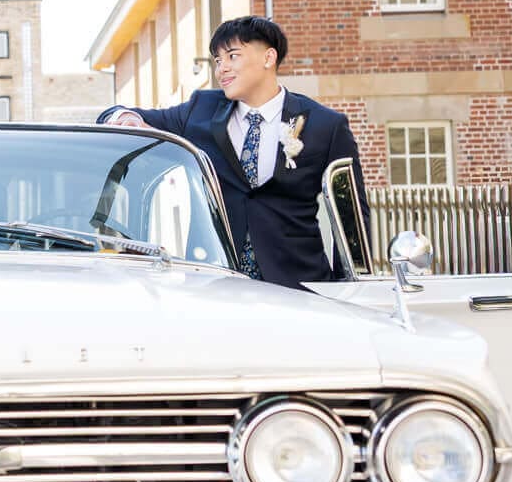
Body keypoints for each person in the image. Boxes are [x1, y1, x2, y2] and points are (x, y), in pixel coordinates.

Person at [102, 15, 365, 290]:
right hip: (214, 284)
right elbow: (120, 113)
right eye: (217, 60)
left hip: (300, 285)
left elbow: (352, 216)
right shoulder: (200, 109)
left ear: (268, 58)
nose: (221, 69)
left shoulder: (324, 125)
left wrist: (345, 288)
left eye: (232, 56)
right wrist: (125, 117)